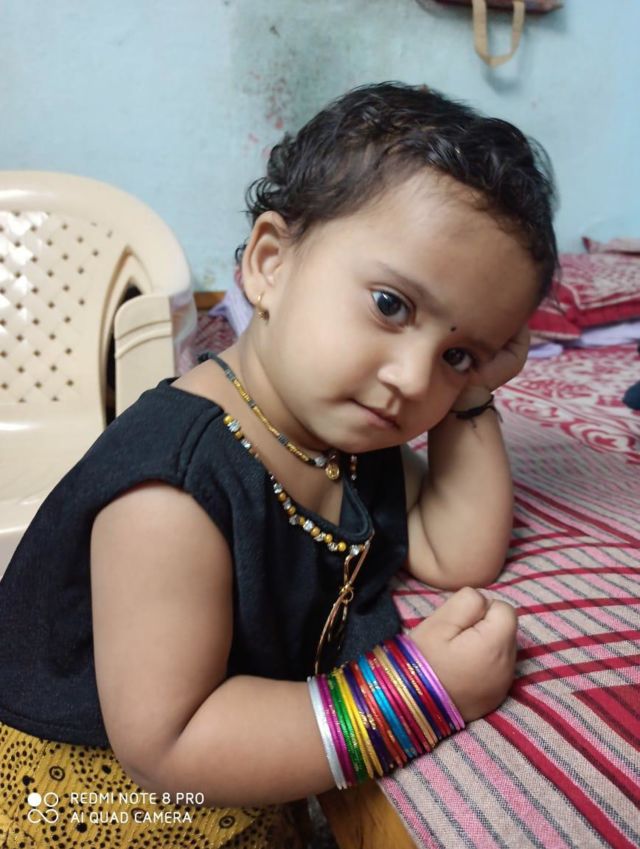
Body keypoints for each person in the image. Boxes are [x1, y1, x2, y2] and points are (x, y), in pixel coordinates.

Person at [0, 81, 557, 848]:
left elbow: (455, 549)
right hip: (98, 804)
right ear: (269, 263)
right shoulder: (173, 487)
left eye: (456, 353)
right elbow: (168, 745)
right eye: (391, 305)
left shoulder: (343, 434)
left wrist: (473, 391)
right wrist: (420, 695)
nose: (412, 378)